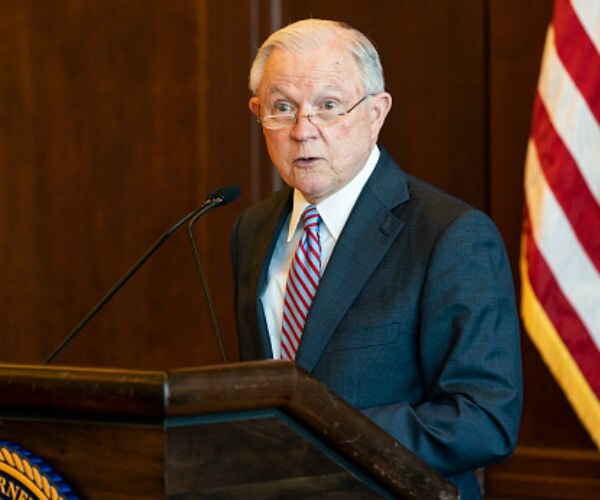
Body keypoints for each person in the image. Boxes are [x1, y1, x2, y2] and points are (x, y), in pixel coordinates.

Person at [231, 19, 522, 499]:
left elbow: (484, 418)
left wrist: (326, 437)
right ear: (258, 114)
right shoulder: (253, 230)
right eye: (282, 108)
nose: (303, 131)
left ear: (376, 113)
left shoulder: (451, 235)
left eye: (328, 106)